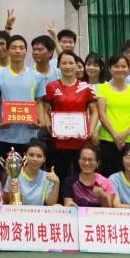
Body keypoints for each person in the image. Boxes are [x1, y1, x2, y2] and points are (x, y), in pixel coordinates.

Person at [0, 36, 47, 176]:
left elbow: (39, 102)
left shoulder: (37, 76)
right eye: (14, 47)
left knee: (28, 174)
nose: (18, 51)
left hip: (29, 135)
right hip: (5, 135)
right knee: (5, 174)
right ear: (8, 50)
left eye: (21, 48)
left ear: (26, 51)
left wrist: (40, 122)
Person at [41, 50, 96, 182]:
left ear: (77, 65)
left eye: (71, 63)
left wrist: (91, 130)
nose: (67, 66)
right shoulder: (51, 87)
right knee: (58, 176)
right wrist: (49, 127)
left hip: (81, 141)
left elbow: (94, 112)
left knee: (80, 177)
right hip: (58, 142)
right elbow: (45, 110)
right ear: (58, 65)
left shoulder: (86, 87)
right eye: (64, 63)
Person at [92, 52, 130, 175]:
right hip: (108, 139)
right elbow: (101, 114)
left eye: (123, 66)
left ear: (128, 68)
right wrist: (116, 136)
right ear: (110, 69)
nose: (120, 69)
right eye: (116, 66)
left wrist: (124, 135)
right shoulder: (103, 88)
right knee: (109, 174)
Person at [4, 140, 60, 207]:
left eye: (39, 156)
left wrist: (57, 183)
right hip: (18, 212)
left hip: (38, 212)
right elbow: (5, 201)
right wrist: (10, 193)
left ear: (44, 159)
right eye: (31, 155)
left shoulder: (48, 177)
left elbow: (51, 204)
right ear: (25, 156)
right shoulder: (14, 172)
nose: (35, 159)